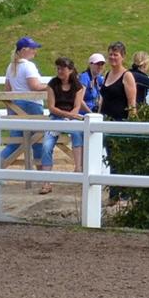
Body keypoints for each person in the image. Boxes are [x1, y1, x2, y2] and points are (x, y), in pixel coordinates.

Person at [38, 57, 86, 195]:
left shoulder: (78, 86)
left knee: (77, 133)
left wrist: (70, 116)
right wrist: (67, 115)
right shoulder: (53, 84)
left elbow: (77, 106)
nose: (59, 71)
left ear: (70, 70)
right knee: (46, 145)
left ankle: (78, 169)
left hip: (71, 117)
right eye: (58, 68)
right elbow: (51, 107)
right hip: (56, 117)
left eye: (62, 69)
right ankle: (46, 181)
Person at [0, 37, 49, 167]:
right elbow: (35, 86)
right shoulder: (29, 66)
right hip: (32, 105)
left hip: (16, 105)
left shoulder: (11, 66)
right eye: (32, 49)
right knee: (38, 140)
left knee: (15, 142)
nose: (34, 51)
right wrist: (52, 86)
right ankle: (42, 173)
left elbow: (7, 89)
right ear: (24, 50)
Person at [98, 41, 137, 204]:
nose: (113, 57)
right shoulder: (107, 74)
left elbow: (132, 102)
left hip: (120, 121)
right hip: (106, 120)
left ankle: (125, 193)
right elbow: (103, 98)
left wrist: (131, 123)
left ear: (123, 57)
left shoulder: (127, 75)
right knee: (112, 158)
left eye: (116, 54)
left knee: (121, 158)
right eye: (111, 54)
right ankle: (114, 194)